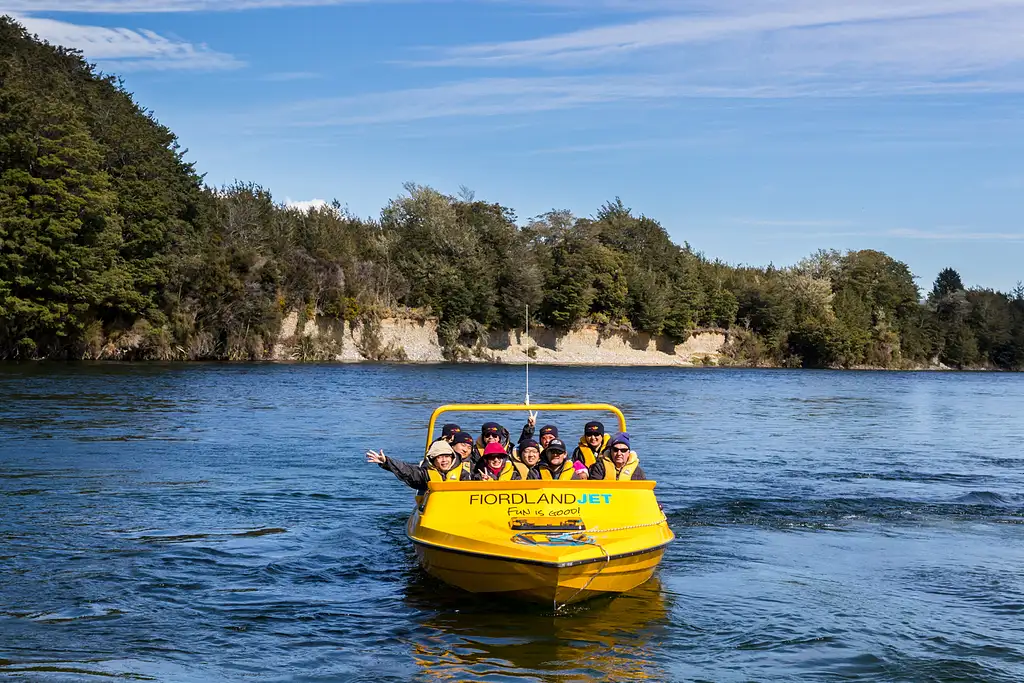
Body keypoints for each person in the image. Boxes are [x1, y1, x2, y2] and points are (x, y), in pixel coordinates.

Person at [366, 440, 472, 494]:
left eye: (446, 456)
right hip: (433, 511)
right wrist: (386, 461)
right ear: (433, 460)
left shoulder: (463, 473)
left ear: (452, 457)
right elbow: (405, 470)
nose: (444, 460)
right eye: (439, 457)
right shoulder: (424, 473)